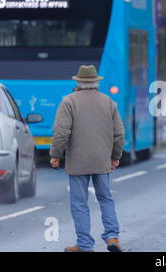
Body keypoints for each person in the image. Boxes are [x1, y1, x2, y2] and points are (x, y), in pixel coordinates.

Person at [50, 65, 125, 252]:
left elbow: (61, 132)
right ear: (96, 82)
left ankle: (84, 244)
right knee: (106, 199)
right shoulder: (108, 102)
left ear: (78, 82)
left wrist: (55, 155)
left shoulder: (69, 102)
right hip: (102, 160)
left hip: (78, 161)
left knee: (79, 203)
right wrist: (115, 156)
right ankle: (112, 237)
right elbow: (119, 133)